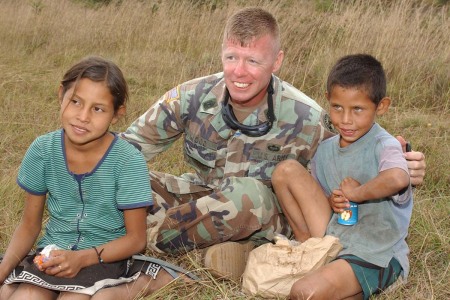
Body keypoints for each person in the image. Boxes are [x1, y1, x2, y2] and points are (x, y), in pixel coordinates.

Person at [117, 7, 425, 284]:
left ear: (276, 61)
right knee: (136, 181)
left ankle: (140, 241)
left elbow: (357, 143)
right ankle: (221, 253)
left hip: (266, 215)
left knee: (247, 195)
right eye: (231, 57)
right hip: (202, 194)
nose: (239, 71)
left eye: (253, 61)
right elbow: (126, 150)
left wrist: (404, 161)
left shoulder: (306, 116)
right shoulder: (191, 96)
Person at [0, 56, 195, 300]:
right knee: (23, 295)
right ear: (61, 95)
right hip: (53, 254)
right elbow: (29, 225)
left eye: (98, 109)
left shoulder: (127, 160)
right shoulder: (42, 150)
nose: (83, 116)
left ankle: (137, 283)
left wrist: (82, 258)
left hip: (105, 256)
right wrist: (3, 271)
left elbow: (135, 239)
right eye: (75, 102)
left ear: (116, 113)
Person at [272, 54, 414, 299]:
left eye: (358, 109)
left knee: (304, 292)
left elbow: (398, 179)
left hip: (373, 251)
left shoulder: (385, 145)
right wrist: (332, 202)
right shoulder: (325, 150)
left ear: (381, 106)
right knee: (285, 171)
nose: (346, 120)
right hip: (334, 239)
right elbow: (323, 199)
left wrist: (356, 193)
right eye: (338, 107)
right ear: (328, 100)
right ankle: (308, 249)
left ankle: (378, 278)